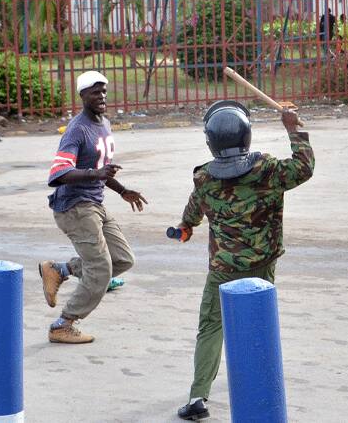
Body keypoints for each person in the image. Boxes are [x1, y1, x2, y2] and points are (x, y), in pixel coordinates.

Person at [175, 101, 314, 420]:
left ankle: (198, 395)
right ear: (247, 136)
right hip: (263, 262)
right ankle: (261, 382)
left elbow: (192, 214)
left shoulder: (205, 179)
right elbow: (303, 167)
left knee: (211, 326)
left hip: (224, 267)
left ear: (211, 143)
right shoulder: (267, 169)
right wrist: (293, 129)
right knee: (259, 319)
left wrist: (184, 227)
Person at [39, 71, 147, 344]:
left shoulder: (104, 124)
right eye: (94, 92)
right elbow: (58, 174)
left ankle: (60, 270)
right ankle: (62, 324)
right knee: (100, 269)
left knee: (122, 260)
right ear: (82, 96)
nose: (101, 96)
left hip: (94, 204)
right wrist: (94, 175)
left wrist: (122, 190)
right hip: (74, 207)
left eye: (103, 91)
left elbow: (100, 169)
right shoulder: (77, 130)